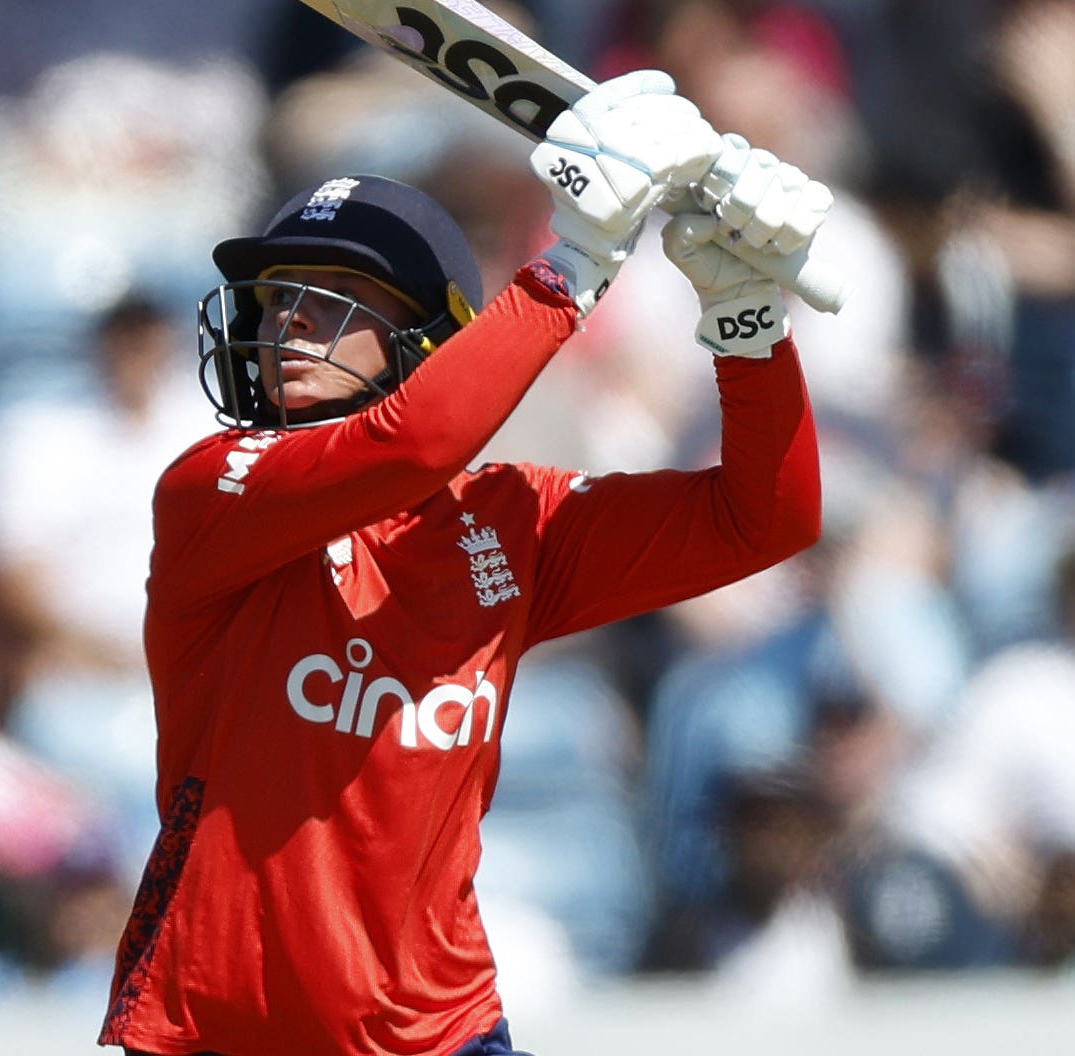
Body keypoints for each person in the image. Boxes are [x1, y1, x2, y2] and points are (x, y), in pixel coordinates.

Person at [98, 70, 828, 1056]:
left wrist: (748, 325)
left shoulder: (510, 521)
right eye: (277, 301)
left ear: (427, 340)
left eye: (337, 298)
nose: (289, 324)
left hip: (438, 1034)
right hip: (217, 1030)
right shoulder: (214, 487)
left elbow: (764, 518)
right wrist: (571, 264)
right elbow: (412, 446)